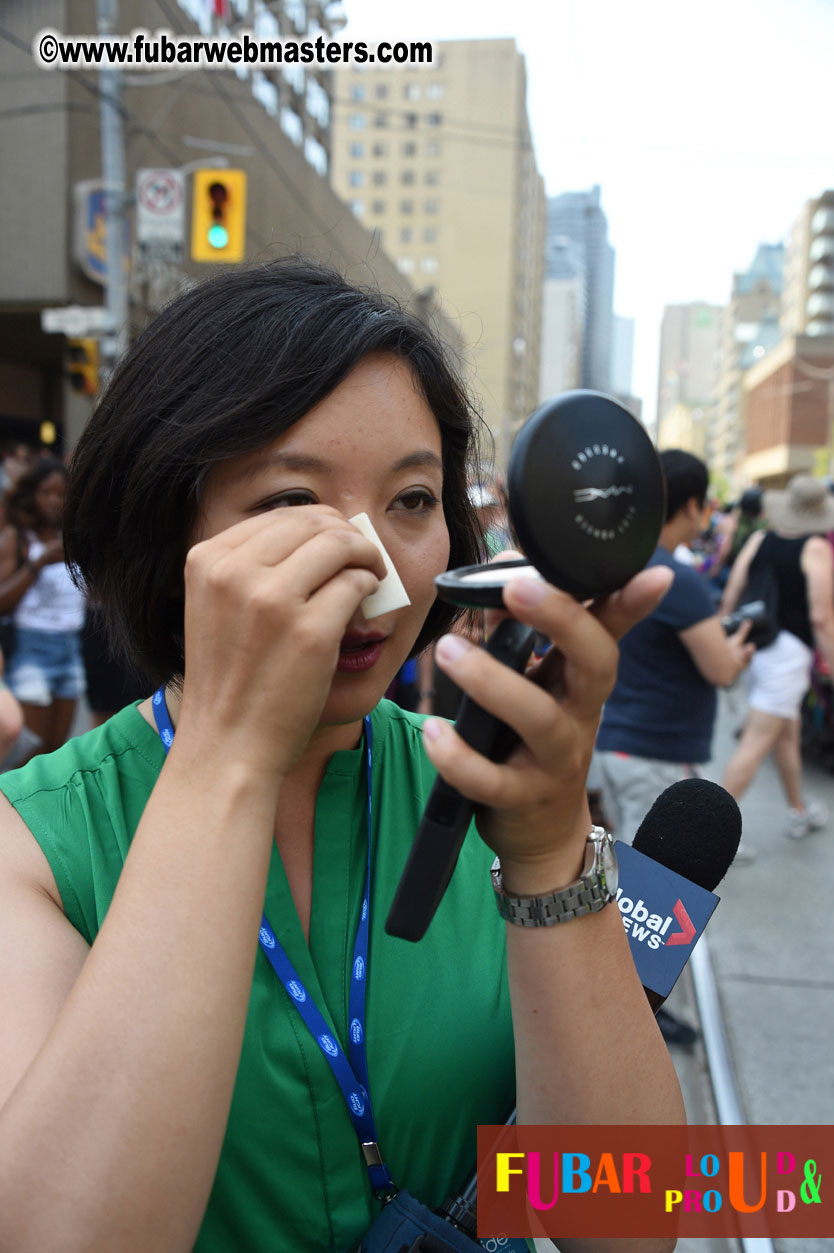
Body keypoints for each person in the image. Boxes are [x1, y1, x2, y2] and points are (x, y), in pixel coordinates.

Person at [0, 259, 682, 1253]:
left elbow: (631, 1219)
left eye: (411, 499)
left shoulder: (486, 787)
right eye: (290, 501)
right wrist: (231, 754)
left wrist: (548, 853)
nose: (369, 562)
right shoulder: (36, 844)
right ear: (164, 521)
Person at [594, 450, 754, 1045]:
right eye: (706, 503)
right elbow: (719, 669)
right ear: (689, 504)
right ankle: (631, 1019)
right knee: (650, 907)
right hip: (653, 753)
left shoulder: (616, 561)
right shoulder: (678, 578)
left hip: (617, 741)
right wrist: (737, 651)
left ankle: (629, 1005)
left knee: (632, 887)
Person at [720, 474, 834, 845]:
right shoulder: (816, 548)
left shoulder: (759, 539)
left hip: (756, 646)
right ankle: (711, 834)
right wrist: (830, 661)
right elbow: (820, 616)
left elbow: (733, 593)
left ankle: (798, 809)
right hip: (789, 654)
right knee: (756, 742)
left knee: (786, 734)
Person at [0, 458, 86, 758]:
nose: (54, 501)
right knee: (26, 755)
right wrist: (40, 562)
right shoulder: (20, 538)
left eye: (62, 493)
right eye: (46, 493)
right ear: (31, 495)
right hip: (32, 648)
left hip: (71, 648)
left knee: (55, 754)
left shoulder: (75, 538)